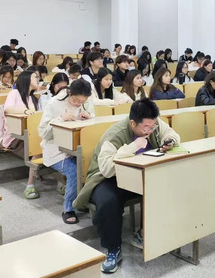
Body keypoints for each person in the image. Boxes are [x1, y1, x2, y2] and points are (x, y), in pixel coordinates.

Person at [72, 99, 180, 273]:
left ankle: (144, 233)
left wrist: (169, 140)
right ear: (132, 123)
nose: (150, 130)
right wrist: (132, 147)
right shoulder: (115, 134)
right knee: (109, 202)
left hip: (138, 174)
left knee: (162, 186)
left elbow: (171, 133)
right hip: (107, 179)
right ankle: (112, 249)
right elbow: (106, 168)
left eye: (153, 126)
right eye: (146, 128)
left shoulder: (152, 123)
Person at [39, 79, 94, 224]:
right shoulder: (54, 103)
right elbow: (43, 133)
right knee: (74, 171)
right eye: (76, 100)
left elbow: (91, 123)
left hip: (76, 147)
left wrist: (88, 118)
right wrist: (60, 119)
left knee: (91, 163)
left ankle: (81, 201)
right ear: (69, 92)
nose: (78, 104)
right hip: (56, 150)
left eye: (82, 102)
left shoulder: (84, 102)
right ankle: (68, 208)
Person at [3, 71, 41, 198]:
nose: (37, 79)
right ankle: (30, 186)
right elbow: (8, 109)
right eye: (35, 77)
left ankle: (61, 182)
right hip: (15, 136)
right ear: (26, 78)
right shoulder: (14, 93)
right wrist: (25, 111)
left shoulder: (33, 98)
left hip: (31, 134)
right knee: (37, 148)